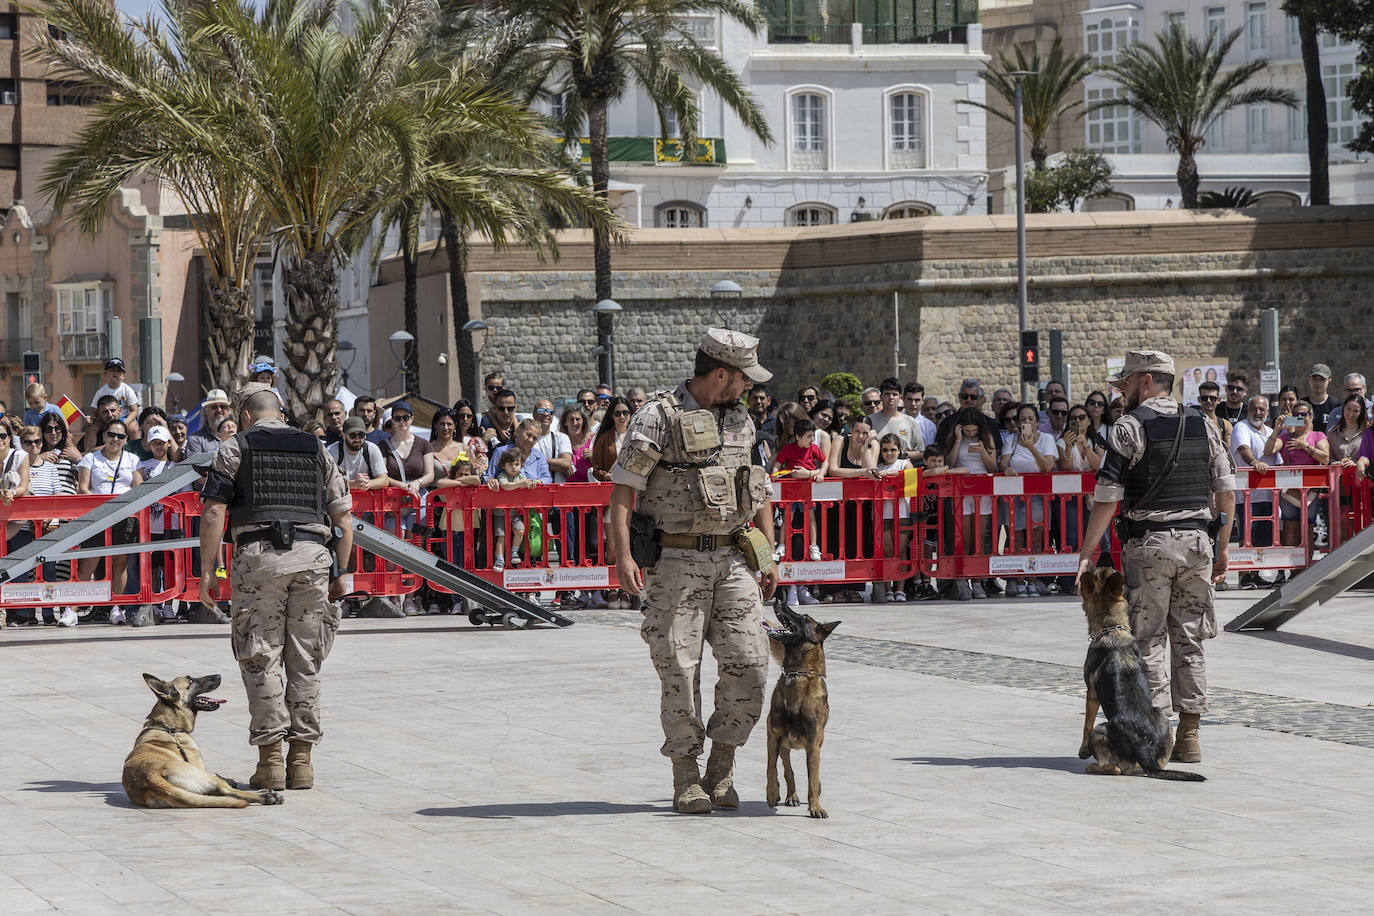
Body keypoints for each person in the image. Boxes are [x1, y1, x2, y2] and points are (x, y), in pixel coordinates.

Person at [606, 327, 776, 815]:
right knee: (679, 670)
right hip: (676, 560)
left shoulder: (741, 420)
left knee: (751, 661)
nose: (750, 387)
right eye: (745, 378)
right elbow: (622, 492)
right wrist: (624, 557)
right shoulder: (658, 416)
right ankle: (686, 776)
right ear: (721, 373)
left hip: (734, 557)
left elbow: (757, 491)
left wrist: (769, 556)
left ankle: (720, 769)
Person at [1075, 350, 1235, 766]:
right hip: (1198, 543)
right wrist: (1223, 545)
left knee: (1146, 641)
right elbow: (1227, 490)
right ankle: (1190, 735)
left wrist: (1088, 553)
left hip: (1149, 546)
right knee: (1191, 639)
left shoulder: (1128, 427)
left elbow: (1108, 495)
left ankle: (1154, 734)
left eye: (1125, 381)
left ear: (1146, 381)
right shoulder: (1205, 422)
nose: (1121, 389)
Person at [198, 383, 353, 792]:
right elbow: (345, 520)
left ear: (245, 415)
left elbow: (214, 511)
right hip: (314, 557)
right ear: (280, 412)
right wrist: (342, 572)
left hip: (259, 558)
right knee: (305, 658)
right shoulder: (317, 449)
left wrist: (208, 571)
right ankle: (301, 761)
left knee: (260, 655)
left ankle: (269, 763)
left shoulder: (236, 447)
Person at [75, 419, 137, 621]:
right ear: (104, 436)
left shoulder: (133, 460)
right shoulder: (90, 459)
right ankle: (72, 610)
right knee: (88, 563)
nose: (115, 439)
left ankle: (116, 608)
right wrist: (101, 507)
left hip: (124, 516)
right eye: (111, 434)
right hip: (97, 517)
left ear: (126, 439)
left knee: (120, 563)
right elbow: (83, 488)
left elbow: (140, 487)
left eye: (120, 436)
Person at [999, 403, 1056, 597]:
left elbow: (1047, 466)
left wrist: (1031, 445)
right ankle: (1019, 578)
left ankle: (1034, 578)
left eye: (1030, 419)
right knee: (1017, 537)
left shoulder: (1046, 439)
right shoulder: (1011, 440)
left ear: (1037, 422)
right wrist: (1006, 469)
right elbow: (1004, 462)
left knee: (1037, 537)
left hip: (1038, 497)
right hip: (1016, 497)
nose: (1026, 423)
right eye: (1022, 419)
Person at [867, 377, 923, 461]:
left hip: (904, 470)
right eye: (887, 394)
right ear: (881, 396)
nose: (891, 397)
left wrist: (902, 454)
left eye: (894, 394)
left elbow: (921, 452)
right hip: (878, 470)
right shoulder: (870, 420)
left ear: (900, 397)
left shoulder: (910, 421)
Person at [328, 417, 390, 490]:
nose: (357, 439)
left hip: (365, 498)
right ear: (343, 435)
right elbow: (327, 482)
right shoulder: (332, 451)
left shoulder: (372, 449)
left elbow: (384, 480)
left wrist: (366, 483)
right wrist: (353, 484)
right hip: (340, 498)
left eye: (361, 435)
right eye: (352, 435)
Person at [91, 357, 142, 440]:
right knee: (91, 429)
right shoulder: (100, 392)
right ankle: (89, 451)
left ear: (123, 376)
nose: (115, 373)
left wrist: (124, 423)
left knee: (134, 430)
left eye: (118, 371)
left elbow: (134, 411)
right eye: (112, 370)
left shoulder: (128, 390)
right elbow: (94, 411)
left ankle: (135, 451)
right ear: (106, 373)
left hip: (124, 418)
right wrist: (94, 419)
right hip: (105, 418)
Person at [186, 389, 232, 457]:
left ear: (228, 411)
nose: (219, 410)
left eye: (223, 406)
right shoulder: (196, 439)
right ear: (206, 411)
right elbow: (194, 466)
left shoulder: (238, 436)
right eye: (214, 407)